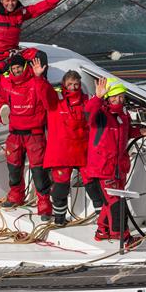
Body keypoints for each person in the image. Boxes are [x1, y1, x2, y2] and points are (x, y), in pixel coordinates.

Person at [0, 42, 53, 219]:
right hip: (15, 135)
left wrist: (40, 78)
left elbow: (50, 100)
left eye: (19, 67)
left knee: (39, 173)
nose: (17, 71)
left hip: (35, 135)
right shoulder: (6, 84)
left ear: (25, 66)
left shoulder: (36, 83)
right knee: (13, 168)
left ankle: (44, 205)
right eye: (14, 68)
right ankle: (16, 196)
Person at [85, 77, 146, 247]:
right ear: (108, 97)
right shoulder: (101, 113)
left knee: (110, 202)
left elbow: (126, 131)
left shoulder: (123, 115)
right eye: (115, 96)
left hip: (118, 167)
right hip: (102, 167)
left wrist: (139, 131)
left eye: (121, 96)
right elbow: (88, 112)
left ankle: (102, 231)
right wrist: (97, 97)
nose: (119, 100)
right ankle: (123, 237)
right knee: (116, 202)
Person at [43, 70, 101, 226]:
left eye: (76, 84)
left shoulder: (87, 101)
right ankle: (59, 220)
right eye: (70, 84)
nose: (73, 87)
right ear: (64, 85)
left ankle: (103, 219)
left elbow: (94, 113)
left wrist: (99, 97)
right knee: (60, 188)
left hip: (84, 151)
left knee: (93, 185)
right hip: (62, 152)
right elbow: (43, 92)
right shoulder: (55, 102)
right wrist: (38, 77)